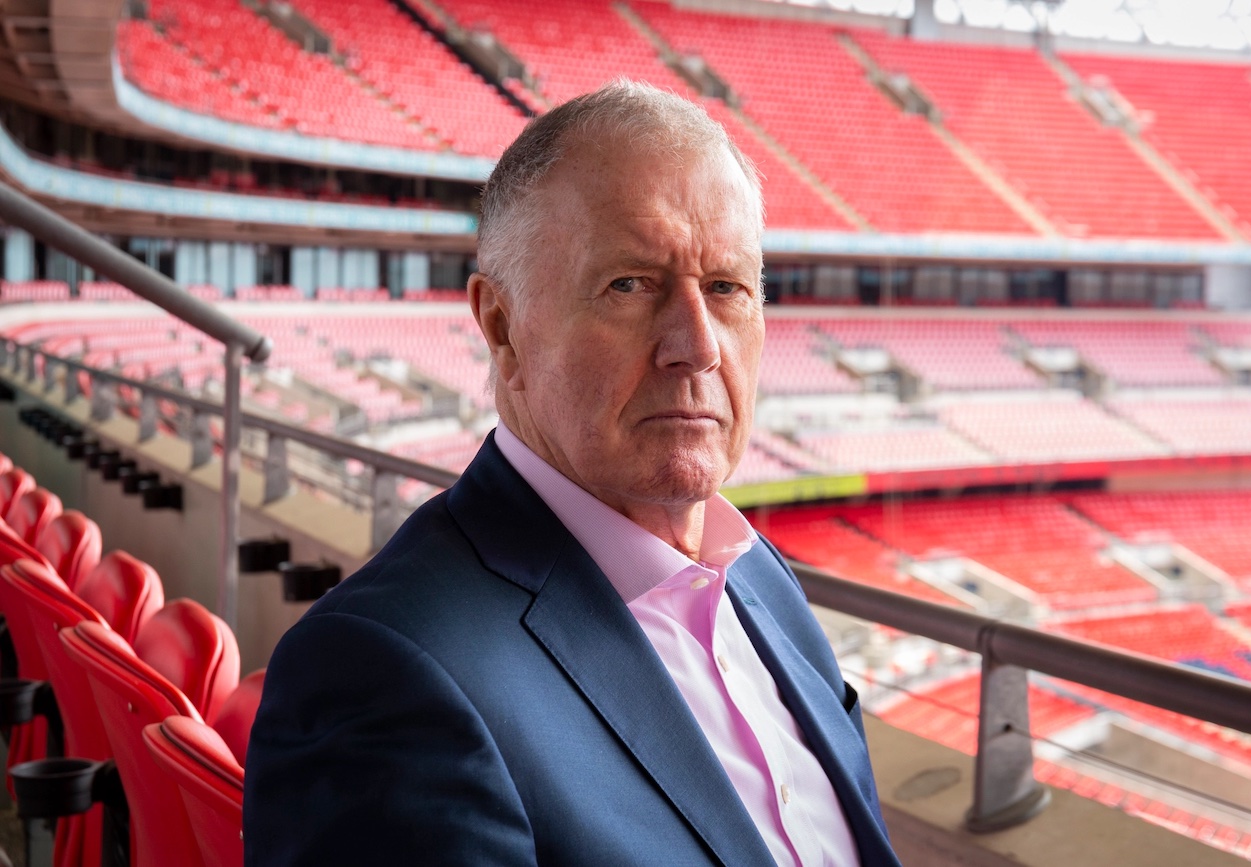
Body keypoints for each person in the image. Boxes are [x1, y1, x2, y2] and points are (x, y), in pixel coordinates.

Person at [244, 81, 900, 867]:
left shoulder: (761, 579)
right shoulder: (380, 672)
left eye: (726, 287)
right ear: (503, 328)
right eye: (630, 285)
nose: (698, 345)